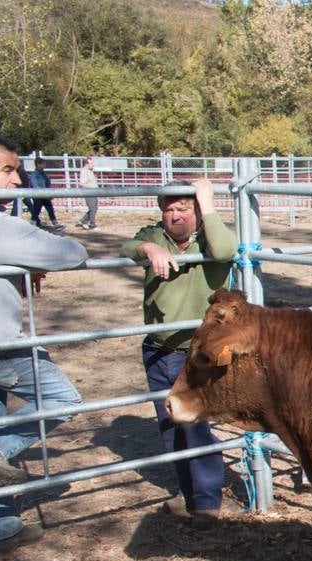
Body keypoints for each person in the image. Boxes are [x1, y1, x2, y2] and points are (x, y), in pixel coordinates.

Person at [0, 133, 87, 553]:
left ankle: (2, 524)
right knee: (63, 398)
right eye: (7, 170)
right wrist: (23, 258)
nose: (17, 182)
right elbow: (73, 252)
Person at [121, 179, 234, 528]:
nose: (174, 215)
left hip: (197, 352)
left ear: (198, 211)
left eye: (183, 208)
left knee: (195, 424)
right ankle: (187, 494)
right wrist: (148, 250)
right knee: (169, 424)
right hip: (157, 347)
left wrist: (208, 202)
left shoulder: (209, 238)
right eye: (168, 209)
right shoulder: (156, 236)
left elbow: (226, 250)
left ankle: (206, 502)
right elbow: (128, 246)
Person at [27, 157, 60, 230]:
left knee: (50, 209)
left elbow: (48, 183)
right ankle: (32, 225)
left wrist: (49, 192)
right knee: (37, 210)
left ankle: (56, 224)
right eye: (43, 164)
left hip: (45, 194)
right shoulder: (34, 174)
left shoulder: (43, 173)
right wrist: (40, 192)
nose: (45, 165)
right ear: (38, 164)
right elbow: (34, 185)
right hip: (38, 195)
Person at [76, 158, 98, 229]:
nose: (92, 165)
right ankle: (92, 224)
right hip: (89, 192)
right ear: (86, 164)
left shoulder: (89, 171)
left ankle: (83, 220)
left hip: (93, 192)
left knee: (94, 208)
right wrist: (91, 188)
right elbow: (82, 183)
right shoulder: (84, 171)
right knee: (93, 208)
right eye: (91, 163)